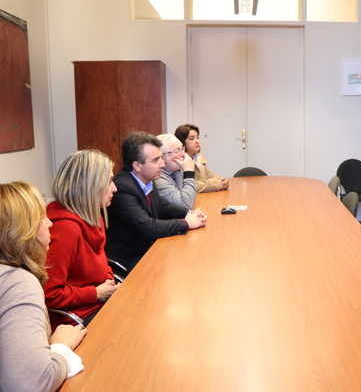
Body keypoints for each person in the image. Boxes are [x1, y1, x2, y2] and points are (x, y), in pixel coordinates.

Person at [0, 181, 87, 392]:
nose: (49, 223)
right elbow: (30, 384)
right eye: (42, 216)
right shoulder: (17, 283)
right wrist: (61, 345)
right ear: (24, 229)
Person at [105, 131, 207, 271]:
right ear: (137, 166)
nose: (162, 164)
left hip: (149, 253)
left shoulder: (147, 179)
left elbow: (162, 206)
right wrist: (187, 223)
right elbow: (149, 227)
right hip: (130, 264)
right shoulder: (122, 189)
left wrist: (188, 213)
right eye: (155, 160)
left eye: (161, 158)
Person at [44, 149, 120, 330]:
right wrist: (95, 293)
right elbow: (50, 294)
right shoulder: (65, 228)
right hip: (76, 319)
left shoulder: (93, 215)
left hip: (98, 304)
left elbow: (101, 262)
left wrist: (108, 280)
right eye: (109, 181)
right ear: (89, 186)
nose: (115, 188)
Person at [174, 124, 229, 192]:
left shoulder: (199, 157)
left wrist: (222, 181)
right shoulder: (179, 162)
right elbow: (188, 186)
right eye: (192, 138)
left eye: (197, 137)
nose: (197, 141)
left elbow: (209, 175)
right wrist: (215, 184)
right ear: (181, 141)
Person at [154, 134, 197, 210]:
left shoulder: (177, 170)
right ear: (162, 157)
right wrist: (189, 172)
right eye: (177, 151)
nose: (183, 154)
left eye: (182, 149)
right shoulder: (158, 179)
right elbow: (186, 206)